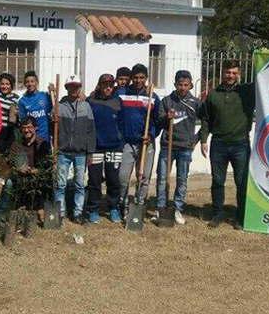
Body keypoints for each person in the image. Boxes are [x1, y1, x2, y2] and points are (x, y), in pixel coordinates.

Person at [200, 60, 255, 230]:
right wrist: (203, 139)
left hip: (241, 144)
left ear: (239, 74)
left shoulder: (247, 91)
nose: (230, 75)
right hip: (219, 144)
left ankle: (241, 216)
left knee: (242, 182)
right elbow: (206, 119)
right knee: (217, 181)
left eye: (233, 73)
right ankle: (218, 213)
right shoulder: (213, 94)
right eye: (227, 72)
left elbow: (264, 77)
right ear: (222, 73)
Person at [154, 70, 202, 225]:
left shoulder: (195, 103)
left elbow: (207, 122)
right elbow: (159, 122)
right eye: (180, 84)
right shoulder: (167, 101)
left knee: (182, 179)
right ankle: (161, 208)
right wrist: (165, 117)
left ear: (190, 85)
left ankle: (177, 209)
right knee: (162, 179)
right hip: (167, 145)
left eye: (186, 85)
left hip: (185, 147)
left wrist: (196, 139)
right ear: (175, 84)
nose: (182, 87)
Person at [118, 64, 161, 212]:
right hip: (127, 144)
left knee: (144, 177)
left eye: (142, 77)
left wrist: (150, 135)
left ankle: (139, 204)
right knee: (123, 177)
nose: (138, 80)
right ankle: (122, 204)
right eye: (135, 77)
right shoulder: (122, 94)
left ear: (146, 78)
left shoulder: (152, 97)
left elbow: (158, 121)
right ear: (131, 78)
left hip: (146, 144)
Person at [55, 75, 96, 223]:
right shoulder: (59, 107)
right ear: (66, 88)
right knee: (60, 184)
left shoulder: (86, 107)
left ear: (80, 88)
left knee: (79, 184)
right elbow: (52, 129)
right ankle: (60, 212)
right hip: (63, 152)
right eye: (70, 86)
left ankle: (78, 213)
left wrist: (90, 151)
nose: (74, 89)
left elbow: (91, 131)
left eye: (76, 86)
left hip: (80, 152)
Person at [86, 74, 125, 224]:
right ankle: (94, 209)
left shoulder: (118, 101)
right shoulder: (91, 101)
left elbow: (122, 123)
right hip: (95, 148)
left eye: (110, 84)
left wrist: (120, 143)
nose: (108, 87)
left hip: (114, 148)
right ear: (99, 85)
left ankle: (113, 208)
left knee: (113, 179)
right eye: (105, 84)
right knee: (94, 180)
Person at [9, 117, 52, 213]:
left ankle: (41, 207)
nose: (26, 130)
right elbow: (11, 162)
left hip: (37, 176)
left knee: (45, 178)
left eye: (29, 127)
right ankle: (20, 205)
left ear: (35, 128)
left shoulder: (42, 144)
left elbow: (47, 164)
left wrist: (37, 170)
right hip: (21, 176)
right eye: (24, 128)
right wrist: (19, 168)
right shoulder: (16, 145)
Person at [18, 71, 53, 142]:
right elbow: (23, 122)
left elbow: (55, 109)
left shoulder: (45, 96)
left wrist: (53, 93)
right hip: (31, 139)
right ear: (25, 84)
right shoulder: (22, 101)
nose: (30, 84)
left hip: (45, 137)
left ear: (37, 82)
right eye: (27, 82)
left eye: (32, 81)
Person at [0, 73, 20, 153]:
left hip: (10, 130)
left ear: (11, 85)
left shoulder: (16, 99)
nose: (5, 86)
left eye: (7, 84)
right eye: (2, 84)